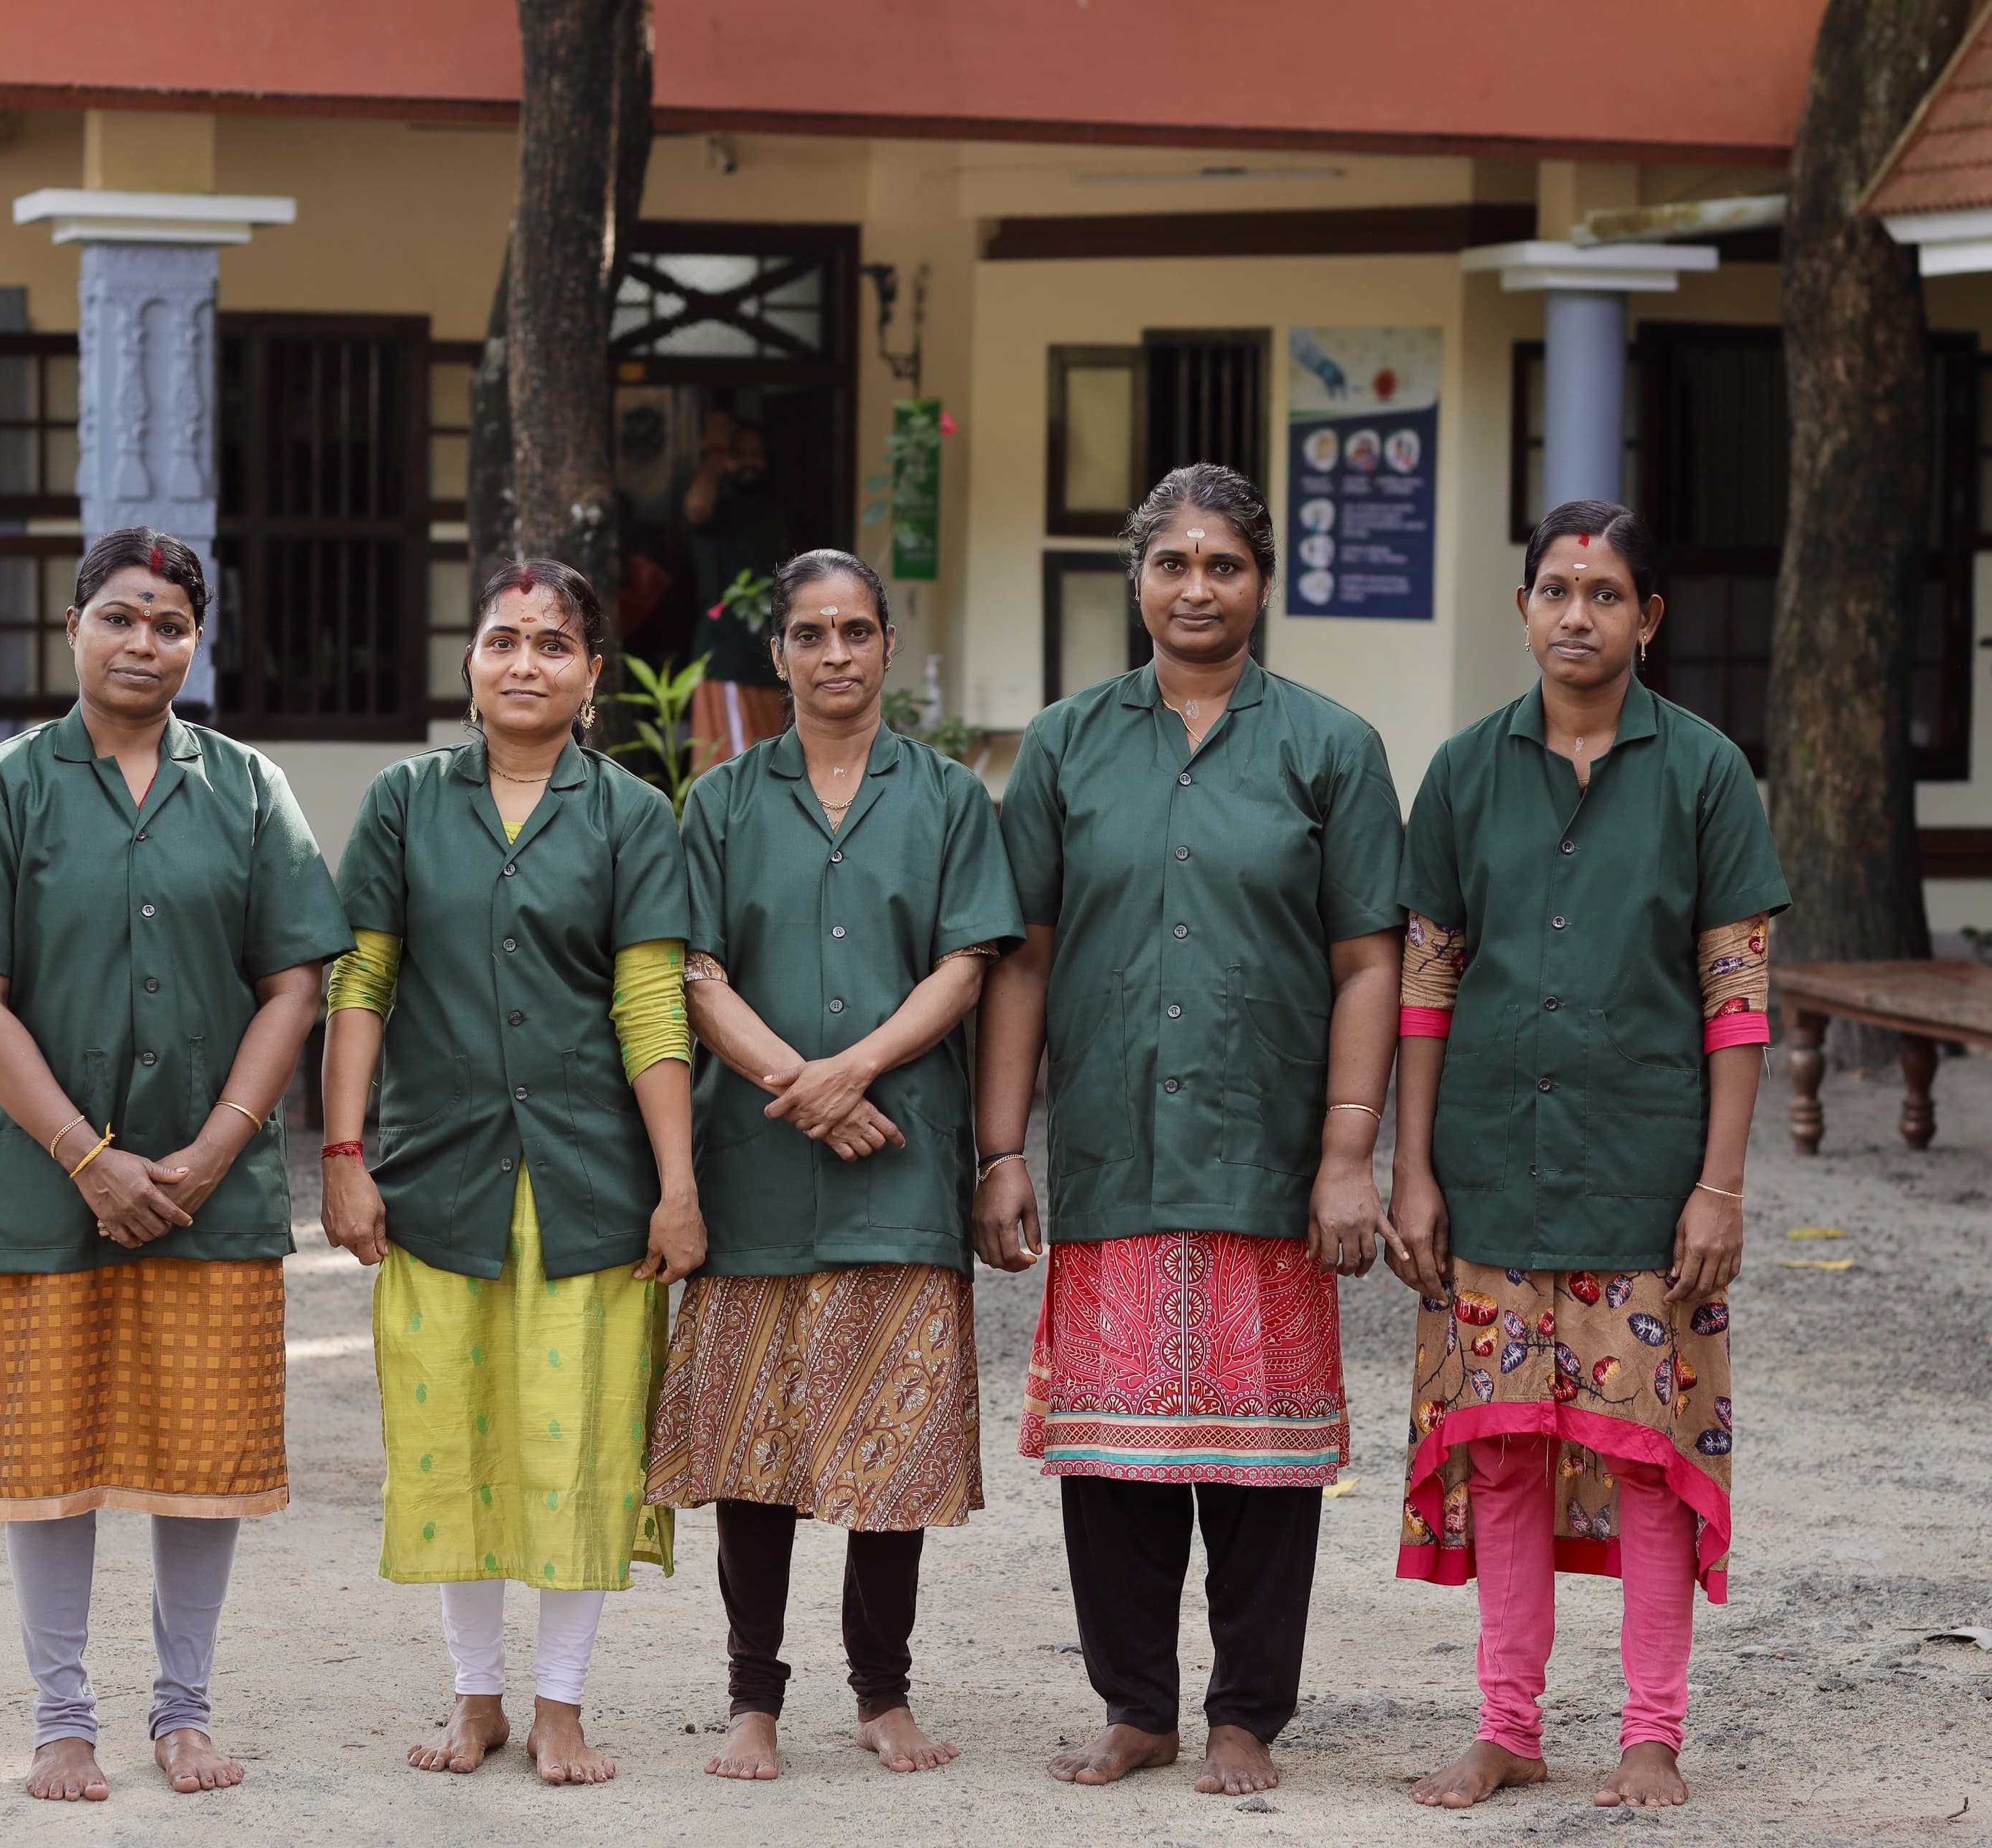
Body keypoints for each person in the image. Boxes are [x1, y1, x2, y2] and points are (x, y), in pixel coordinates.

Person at [973, 463, 1406, 1797]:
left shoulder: (1330, 746)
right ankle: (1137, 1708)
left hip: (1268, 1158)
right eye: (1174, 563)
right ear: (1138, 579)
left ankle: (1245, 1716)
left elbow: (1370, 963)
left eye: (1225, 564)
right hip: (1110, 1153)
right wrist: (1001, 1150)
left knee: (1265, 1466)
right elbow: (1024, 960)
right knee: (1111, 1459)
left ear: (1262, 581)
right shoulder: (1065, 745)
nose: (1198, 587)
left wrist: (1347, 1154)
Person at [0, 527, 352, 1803]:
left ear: (195, 642)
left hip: (213, 1188)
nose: (142, 643)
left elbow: (294, 982)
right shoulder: (2, 787)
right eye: (119, 617)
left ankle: (185, 1711)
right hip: (55, 1190)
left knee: (197, 1452)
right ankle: (61, 1719)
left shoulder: (249, 787)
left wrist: (220, 1146)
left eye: (167, 624)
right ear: (73, 627)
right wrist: (87, 1157)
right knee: (50, 1456)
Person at [1388, 500, 1788, 1812]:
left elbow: (1737, 996)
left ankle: (1651, 1734)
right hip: (1492, 1169)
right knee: (1501, 1450)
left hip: (1646, 1179)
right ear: (1523, 608)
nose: (1578, 615)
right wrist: (1414, 1167)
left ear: (1648, 618)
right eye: (1557, 590)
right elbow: (1430, 980)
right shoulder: (1461, 772)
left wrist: (1720, 1187)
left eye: (1606, 594)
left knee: (1642, 1457)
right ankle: (1507, 1726)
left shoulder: (1708, 773)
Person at [320, 558, 706, 1786]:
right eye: (503, 640)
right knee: (454, 1436)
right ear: (471, 664)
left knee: (579, 1444)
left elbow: (650, 1003)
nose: (524, 662)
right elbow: (361, 983)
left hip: (591, 1183)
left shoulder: (632, 814)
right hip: (441, 1174)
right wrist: (342, 1153)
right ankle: (476, 1698)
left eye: (553, 644)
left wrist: (678, 1185)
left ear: (595, 672)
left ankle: (561, 1704)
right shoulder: (403, 805)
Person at [647, 547, 1023, 1781]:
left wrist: (851, 1071)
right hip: (757, 1172)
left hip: (899, 1164)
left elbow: (967, 964)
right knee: (758, 1450)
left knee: (891, 1448)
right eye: (812, 634)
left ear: (888, 648)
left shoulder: (950, 798)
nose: (837, 655)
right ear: (781, 655)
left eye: (857, 631)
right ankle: (752, 1699)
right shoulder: (722, 801)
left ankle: (884, 1694)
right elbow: (693, 973)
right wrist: (799, 1090)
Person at [685, 415, 791, 767]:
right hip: (727, 657)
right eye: (739, 453)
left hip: (772, 658)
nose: (749, 462)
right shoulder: (717, 503)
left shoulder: (774, 506)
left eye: (755, 453)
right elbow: (697, 508)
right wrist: (715, 455)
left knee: (771, 762)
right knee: (732, 768)